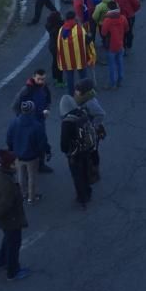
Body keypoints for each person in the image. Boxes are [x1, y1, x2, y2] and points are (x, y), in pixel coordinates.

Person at [0, 149, 30, 281]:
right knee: (14, 243)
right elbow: (4, 206)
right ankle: (12, 271)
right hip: (11, 219)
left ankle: (1, 261)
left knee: (8, 238)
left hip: (3, 219)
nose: (18, 163)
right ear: (10, 165)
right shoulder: (8, 184)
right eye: (16, 162)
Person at [59, 79, 107, 207]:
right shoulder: (82, 101)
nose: (75, 92)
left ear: (84, 91)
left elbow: (101, 114)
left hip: (90, 134)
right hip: (86, 136)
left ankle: (94, 174)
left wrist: (92, 126)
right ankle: (91, 177)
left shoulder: (90, 102)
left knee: (93, 154)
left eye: (78, 90)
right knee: (88, 158)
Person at [6, 101, 51, 204]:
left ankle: (23, 195)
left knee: (20, 175)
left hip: (18, 155)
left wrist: (12, 149)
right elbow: (42, 142)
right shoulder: (36, 125)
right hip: (31, 156)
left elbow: (9, 138)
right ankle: (32, 197)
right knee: (31, 177)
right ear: (32, 110)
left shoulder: (14, 123)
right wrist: (46, 151)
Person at [56, 11, 94, 94]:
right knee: (83, 76)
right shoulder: (79, 29)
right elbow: (87, 40)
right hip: (79, 57)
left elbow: (59, 45)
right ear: (74, 18)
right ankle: (84, 92)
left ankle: (71, 94)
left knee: (69, 77)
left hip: (67, 59)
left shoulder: (61, 29)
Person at [99, 1, 126, 89]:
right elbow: (126, 28)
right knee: (120, 62)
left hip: (111, 46)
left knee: (112, 65)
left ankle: (112, 83)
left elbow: (103, 33)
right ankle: (120, 80)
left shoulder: (107, 20)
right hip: (120, 44)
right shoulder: (122, 18)